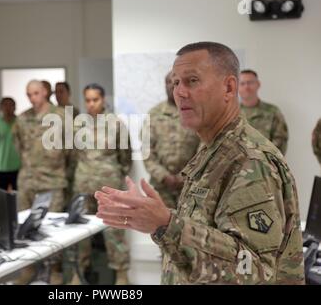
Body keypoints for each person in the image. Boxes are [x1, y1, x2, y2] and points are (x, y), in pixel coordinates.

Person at [95, 42, 304, 285]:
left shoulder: (249, 160)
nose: (180, 92)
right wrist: (155, 218)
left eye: (192, 81)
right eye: (176, 82)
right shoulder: (214, 150)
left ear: (228, 87)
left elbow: (254, 270)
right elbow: (208, 229)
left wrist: (166, 225)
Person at [69, 83, 131, 285]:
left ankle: (121, 273)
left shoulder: (116, 124)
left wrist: (114, 173)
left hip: (109, 187)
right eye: (87, 100)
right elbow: (72, 155)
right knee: (81, 230)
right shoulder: (77, 125)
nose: (91, 104)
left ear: (103, 100)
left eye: (95, 99)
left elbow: (125, 156)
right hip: (84, 185)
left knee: (114, 229)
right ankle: (80, 270)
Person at [12, 80, 72, 284]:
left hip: (52, 180)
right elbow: (18, 145)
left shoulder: (62, 116)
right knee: (24, 226)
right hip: (28, 180)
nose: (32, 98)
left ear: (45, 92)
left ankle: (53, 269)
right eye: (29, 94)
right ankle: (28, 268)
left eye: (36, 93)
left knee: (51, 228)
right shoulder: (22, 119)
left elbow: (71, 149)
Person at [143, 72, 200, 208]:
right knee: (159, 228)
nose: (171, 86)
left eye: (175, 82)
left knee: (190, 227)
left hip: (191, 184)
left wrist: (185, 175)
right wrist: (163, 176)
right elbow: (146, 151)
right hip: (160, 187)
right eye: (168, 82)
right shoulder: (154, 114)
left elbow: (204, 148)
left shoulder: (196, 111)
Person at [239, 69, 289, 155]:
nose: (246, 87)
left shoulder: (272, 112)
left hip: (266, 165)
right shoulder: (230, 113)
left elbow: (281, 141)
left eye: (250, 82)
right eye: (242, 83)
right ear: (237, 86)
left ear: (258, 84)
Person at [0, 98, 21, 191]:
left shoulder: (20, 123)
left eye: (11, 105)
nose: (8, 108)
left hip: (18, 167)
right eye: (5, 105)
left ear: (15, 107)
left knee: (18, 199)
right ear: (0, 108)